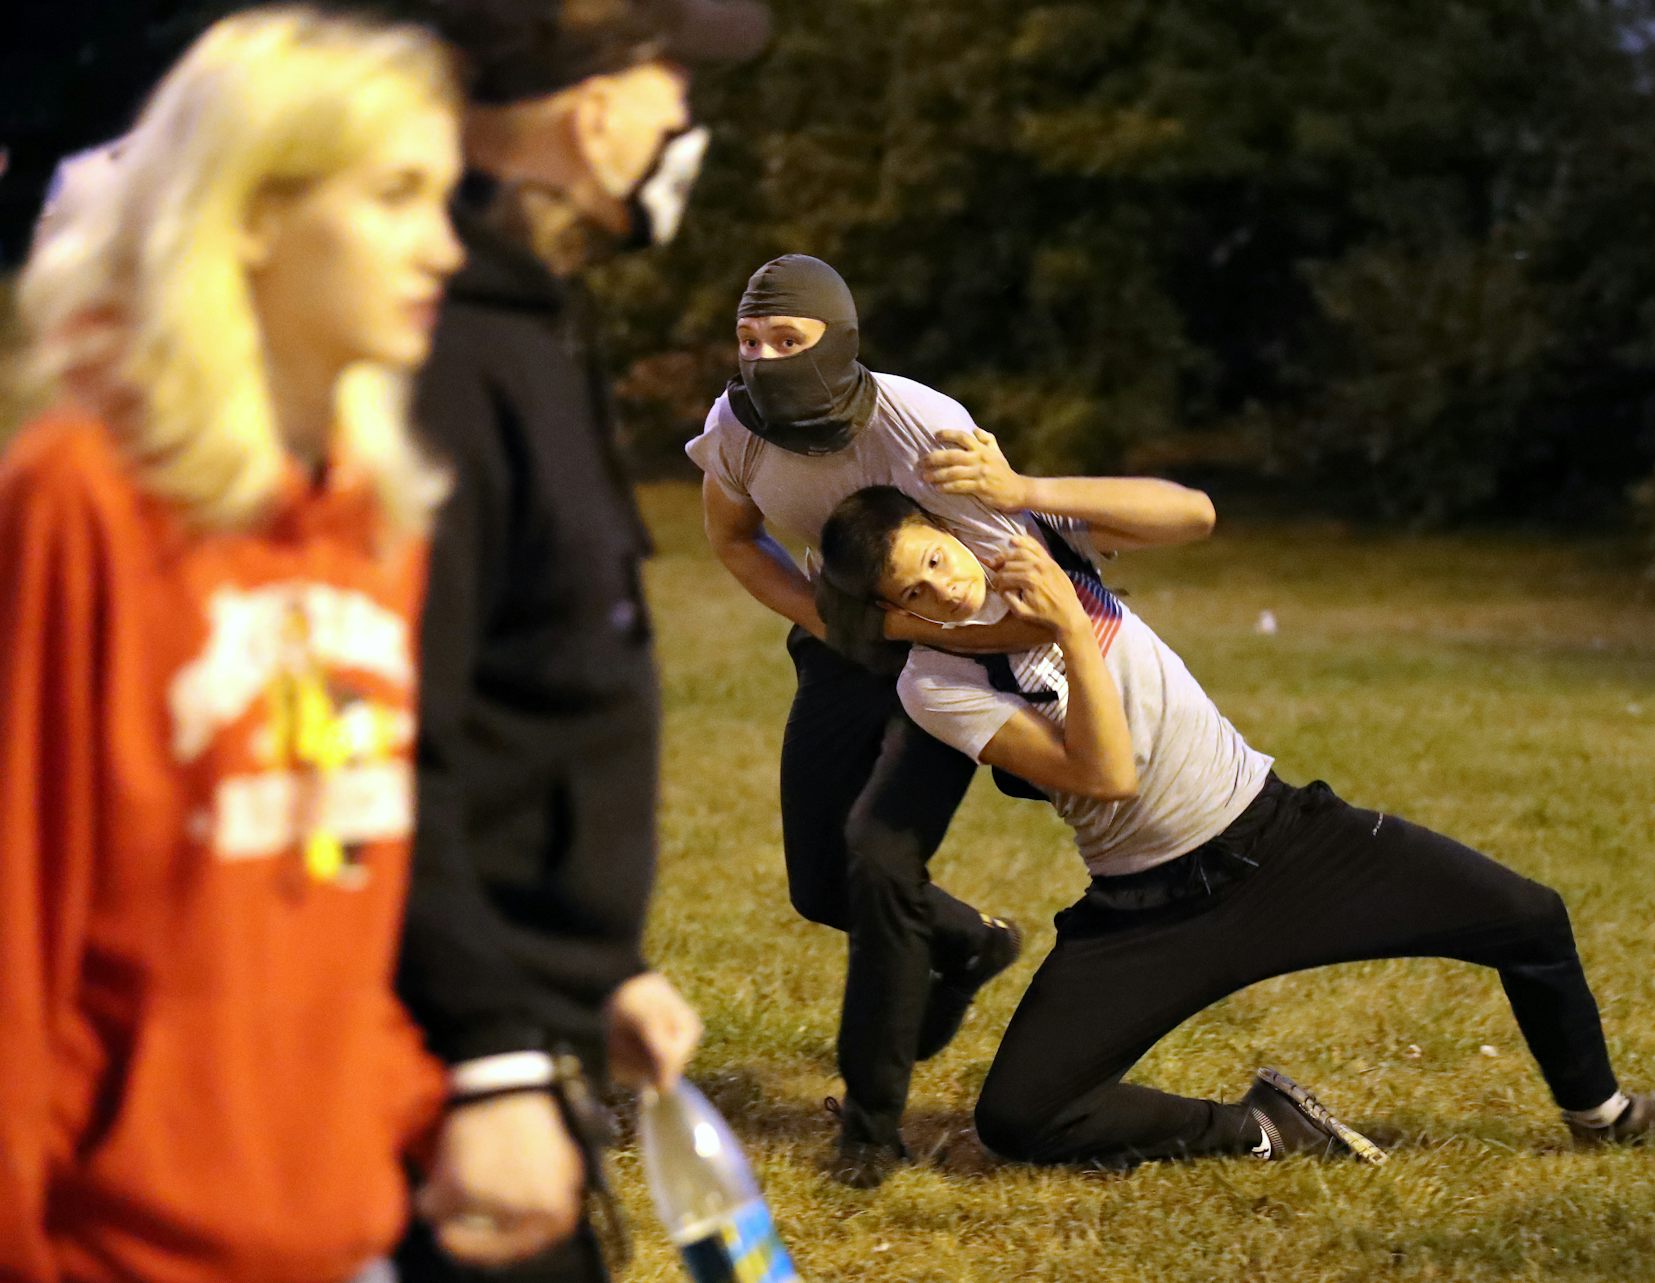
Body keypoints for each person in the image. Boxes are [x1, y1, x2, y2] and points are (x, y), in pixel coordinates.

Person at [814, 437, 1655, 1169]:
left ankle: (1604, 1114)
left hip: (1284, 841)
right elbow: (1106, 774)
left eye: (934, 556)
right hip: (1146, 910)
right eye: (913, 591)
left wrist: (1023, 488)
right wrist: (1070, 630)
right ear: (896, 613)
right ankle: (1262, 1128)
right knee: (1020, 1116)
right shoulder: (936, 684)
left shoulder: (1036, 540)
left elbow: (1194, 513)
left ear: (943, 527)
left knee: (1530, 917)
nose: (944, 586)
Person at [0, 9, 468, 1281]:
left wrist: (416, 1108)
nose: (443, 244)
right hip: (118, 1248)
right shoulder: (83, 495)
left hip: (344, 1231)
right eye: (396, 197)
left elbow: (319, 908)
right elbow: (20, 941)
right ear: (252, 213)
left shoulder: (377, 512)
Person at [381, 2, 773, 1277]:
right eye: (673, 81)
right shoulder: (440, 352)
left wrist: (590, 971)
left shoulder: (525, 324)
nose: (683, 119)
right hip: (422, 1067)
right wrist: (488, 1053)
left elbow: (524, 688)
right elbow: (376, 739)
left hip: (500, 1008)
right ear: (594, 112)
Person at [686, 254, 1048, 1186]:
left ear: (839, 339)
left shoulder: (922, 426)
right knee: (820, 885)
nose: (764, 359)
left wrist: (955, 645)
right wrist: (833, 626)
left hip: (959, 649)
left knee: (879, 859)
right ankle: (968, 941)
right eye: (749, 340)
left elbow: (1024, 577)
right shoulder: (737, 429)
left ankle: (870, 1125)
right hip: (847, 644)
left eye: (788, 339)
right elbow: (734, 539)